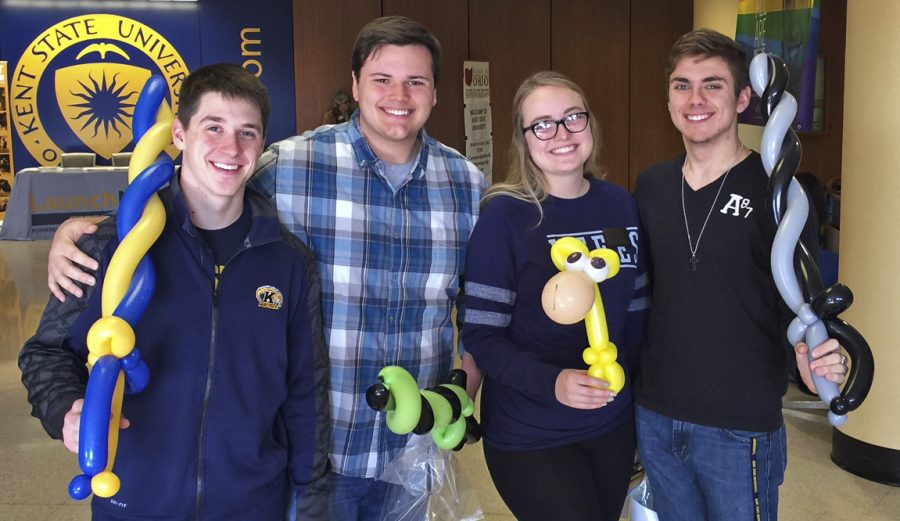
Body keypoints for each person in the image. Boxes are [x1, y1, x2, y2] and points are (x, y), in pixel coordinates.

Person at [45, 17, 485, 521]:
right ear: (357, 84)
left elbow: (480, 307)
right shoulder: (291, 165)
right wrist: (87, 231)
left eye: (416, 81)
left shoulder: (466, 185)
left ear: (434, 91)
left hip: (411, 449)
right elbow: (200, 197)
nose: (399, 95)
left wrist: (462, 393)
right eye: (382, 79)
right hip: (322, 449)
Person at [19, 63, 331, 520]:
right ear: (180, 134)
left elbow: (306, 392)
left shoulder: (288, 261)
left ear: (262, 145)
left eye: (248, 132)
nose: (231, 147)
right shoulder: (111, 247)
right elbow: (45, 354)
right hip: (136, 500)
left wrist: (311, 500)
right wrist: (66, 409)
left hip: (252, 504)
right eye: (214, 127)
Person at [632, 29, 847, 521]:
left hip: (739, 423)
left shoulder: (780, 195)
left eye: (713, 84)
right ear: (668, 98)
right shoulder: (650, 186)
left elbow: (797, 305)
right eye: (682, 85)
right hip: (658, 413)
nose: (696, 99)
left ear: (743, 97)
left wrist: (809, 357)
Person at [461, 71, 648, 521]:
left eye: (572, 117)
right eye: (542, 124)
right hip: (531, 431)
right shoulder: (504, 216)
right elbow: (482, 338)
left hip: (611, 421)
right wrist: (553, 382)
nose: (560, 133)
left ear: (591, 125)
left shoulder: (620, 204)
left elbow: (637, 315)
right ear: (524, 140)